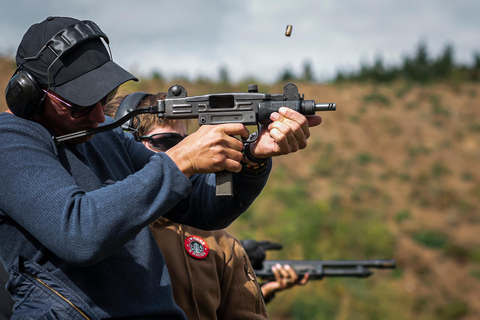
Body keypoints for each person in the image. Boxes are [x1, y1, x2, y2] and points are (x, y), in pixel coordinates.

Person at [0, 16, 322, 319]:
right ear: (28, 95)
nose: (100, 116)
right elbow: (80, 232)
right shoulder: (10, 142)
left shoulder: (103, 136)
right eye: (82, 103)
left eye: (104, 97)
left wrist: (252, 155)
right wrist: (181, 158)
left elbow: (201, 207)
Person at [105, 92, 268, 319]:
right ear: (123, 146)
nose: (188, 151)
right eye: (168, 143)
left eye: (187, 141)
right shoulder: (97, 227)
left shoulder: (219, 242)